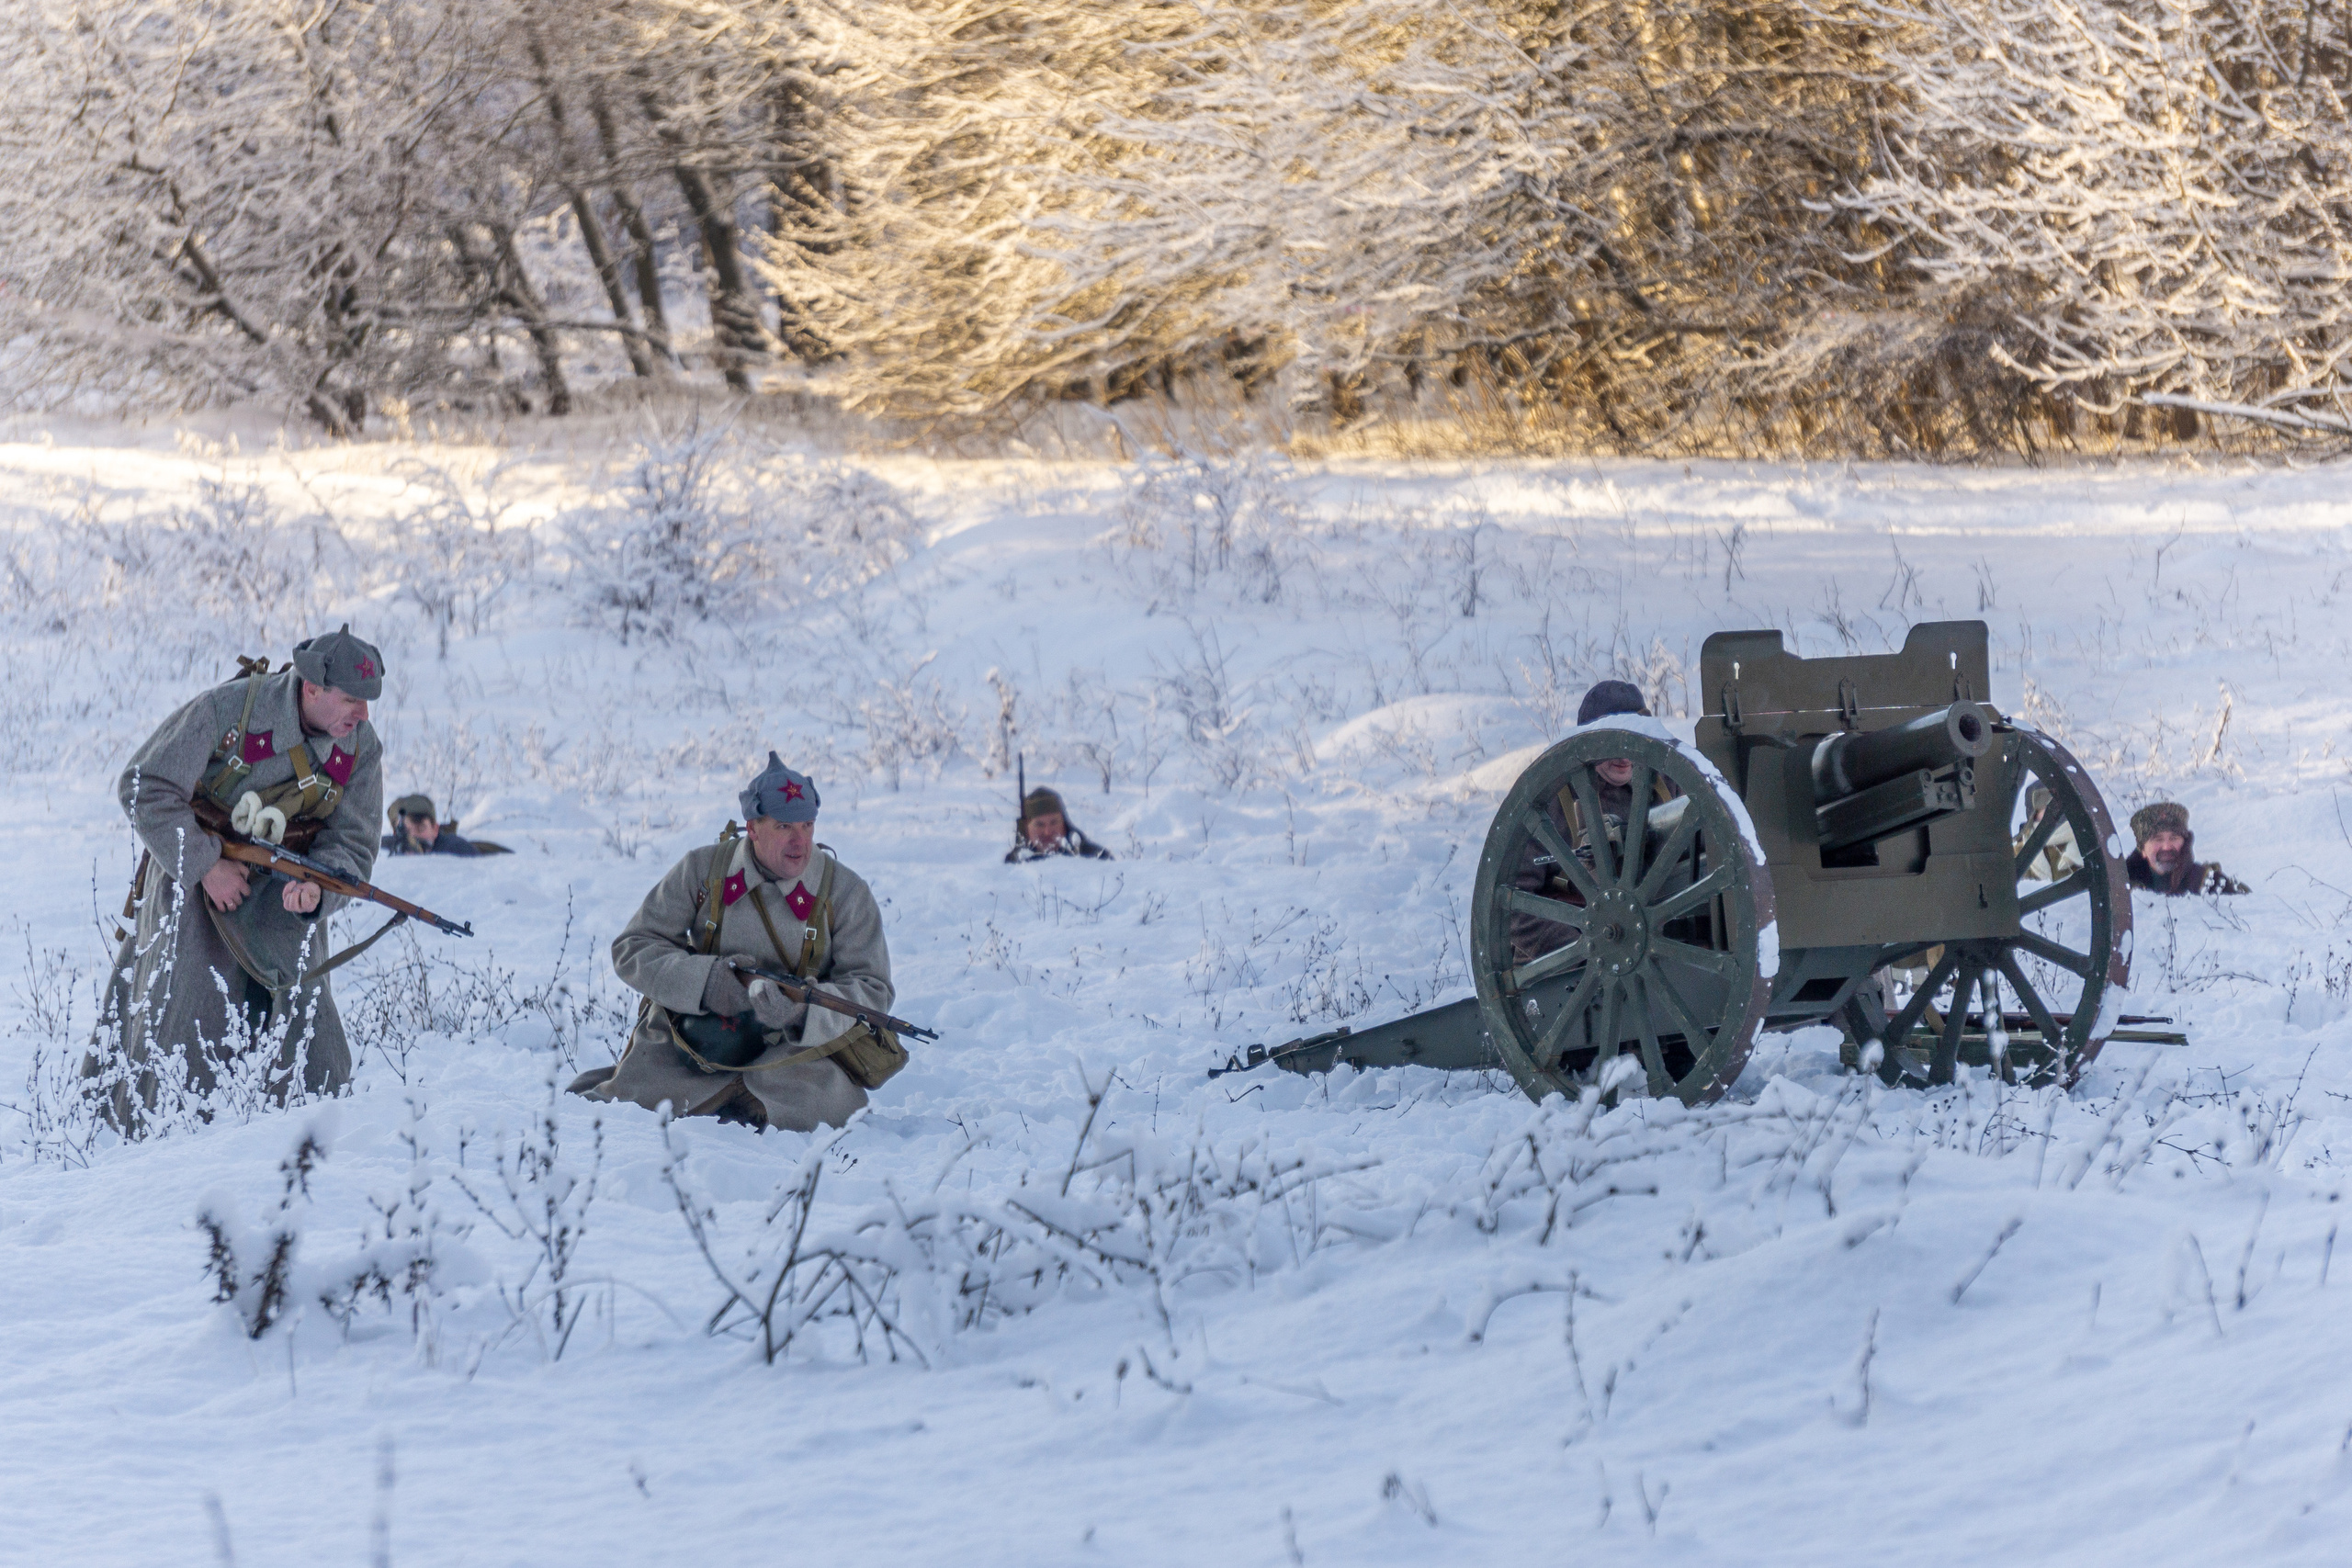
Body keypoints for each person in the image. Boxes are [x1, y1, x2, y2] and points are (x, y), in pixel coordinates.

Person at [85, 627, 387, 1119]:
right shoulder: (228, 712)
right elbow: (143, 785)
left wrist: (319, 890)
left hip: (286, 902)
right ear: (312, 688)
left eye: (369, 701)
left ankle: (307, 1146)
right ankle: (157, 1144)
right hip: (200, 890)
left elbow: (353, 839)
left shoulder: (358, 747)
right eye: (353, 699)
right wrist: (207, 866)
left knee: (313, 1052)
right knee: (181, 1035)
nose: (364, 715)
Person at [569, 753, 899, 1132]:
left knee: (819, 1112)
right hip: (696, 1043)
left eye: (808, 826)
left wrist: (802, 1014)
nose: (800, 842)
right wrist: (704, 981)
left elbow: (872, 990)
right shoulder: (703, 871)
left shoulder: (845, 893)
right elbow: (633, 946)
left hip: (795, 1058)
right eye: (784, 827)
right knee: (635, 1106)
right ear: (753, 829)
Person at [1510, 680, 1676, 963]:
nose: (1624, 755)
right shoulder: (1550, 801)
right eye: (1612, 742)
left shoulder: (1667, 785)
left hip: (1657, 945)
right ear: (1586, 743)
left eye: (1631, 740)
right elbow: (1514, 906)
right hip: (1567, 963)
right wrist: (1584, 949)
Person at [2127, 802, 2248, 896]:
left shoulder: (2211, 884)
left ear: (2185, 842)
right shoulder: (2121, 887)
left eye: (2174, 838)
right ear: (2142, 849)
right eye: (2157, 839)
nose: (2167, 847)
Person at [1005, 785, 1113, 863]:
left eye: (1054, 823)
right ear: (1026, 828)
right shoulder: (1013, 865)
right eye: (1039, 825)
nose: (1047, 832)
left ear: (1065, 824)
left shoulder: (1096, 856)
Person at [381, 794, 511, 856]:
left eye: (421, 829)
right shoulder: (380, 849)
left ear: (435, 829)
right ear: (394, 834)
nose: (413, 836)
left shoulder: (455, 849)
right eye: (406, 831)